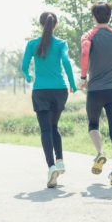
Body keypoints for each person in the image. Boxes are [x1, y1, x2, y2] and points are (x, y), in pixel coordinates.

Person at [21, 11, 77, 188]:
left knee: (46, 130)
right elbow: (66, 62)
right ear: (56, 24)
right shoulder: (61, 44)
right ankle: (60, 160)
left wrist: (29, 77)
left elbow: (24, 67)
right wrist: (72, 84)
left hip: (41, 91)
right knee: (54, 126)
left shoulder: (32, 44)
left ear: (40, 24)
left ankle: (51, 166)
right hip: (59, 90)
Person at [80, 1, 112, 185]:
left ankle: (100, 153)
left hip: (95, 90)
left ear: (93, 17)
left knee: (93, 125)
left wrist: (84, 76)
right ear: (110, 16)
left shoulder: (89, 36)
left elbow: (85, 54)